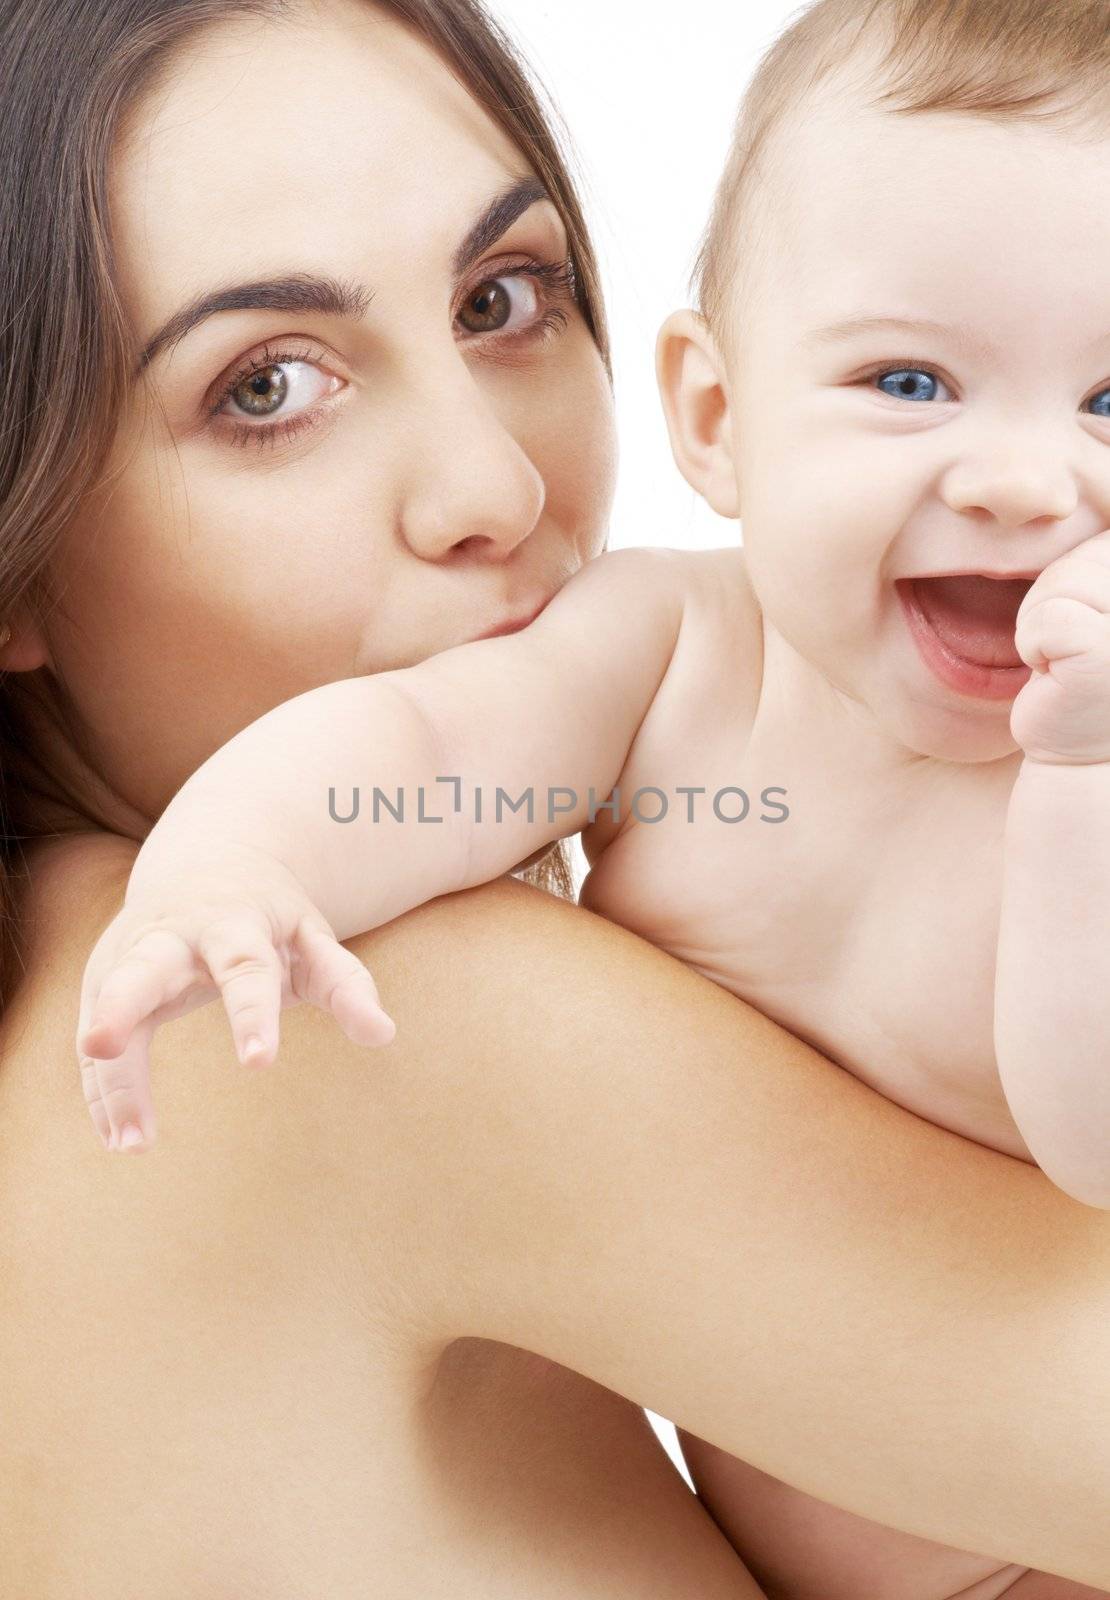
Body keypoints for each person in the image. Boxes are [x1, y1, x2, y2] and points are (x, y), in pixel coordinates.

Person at [2, 0, 1109, 1594]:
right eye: (264, 388)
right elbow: (426, 755)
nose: (499, 490)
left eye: (504, 297)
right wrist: (230, 869)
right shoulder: (324, 1006)